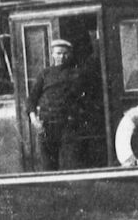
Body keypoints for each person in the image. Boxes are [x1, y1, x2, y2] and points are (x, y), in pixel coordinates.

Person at [28, 37, 93, 170]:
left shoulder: (77, 74)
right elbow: (31, 100)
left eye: (65, 53)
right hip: (46, 127)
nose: (61, 57)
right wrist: (34, 120)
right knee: (48, 167)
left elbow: (85, 100)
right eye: (58, 53)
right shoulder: (44, 74)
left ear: (70, 55)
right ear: (52, 54)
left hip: (68, 127)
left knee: (70, 165)